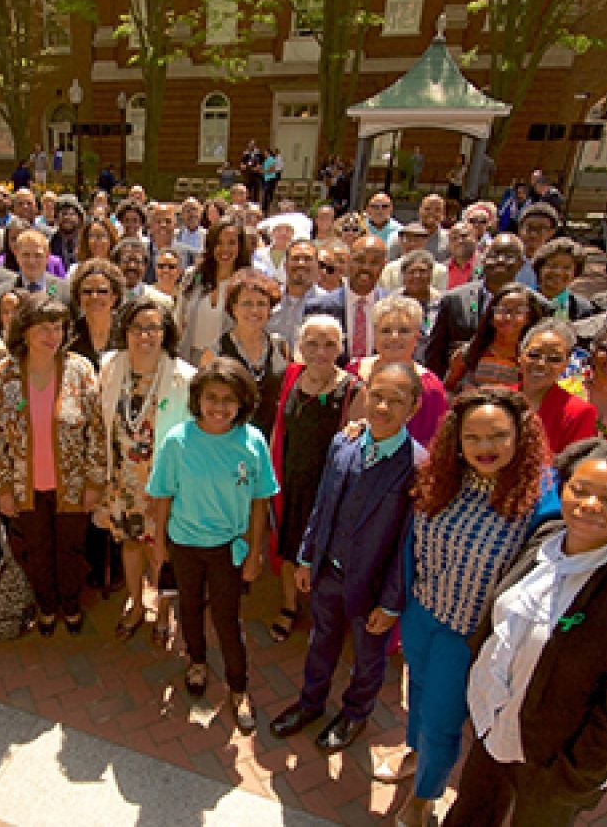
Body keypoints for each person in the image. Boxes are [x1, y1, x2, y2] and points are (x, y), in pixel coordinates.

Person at [377, 387, 607, 825]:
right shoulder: (440, 476)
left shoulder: (544, 490)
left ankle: (421, 800)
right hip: (423, 616)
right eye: (472, 436)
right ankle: (416, 756)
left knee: (441, 724)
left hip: (466, 633)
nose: (484, 447)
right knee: (418, 696)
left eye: (498, 435)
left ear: (520, 437)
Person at [445, 437, 607, 827]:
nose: (590, 506)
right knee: (470, 814)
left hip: (554, 760)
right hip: (495, 725)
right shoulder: (547, 538)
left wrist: (576, 776)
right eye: (581, 489)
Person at [271, 362, 422, 752]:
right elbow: (323, 505)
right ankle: (311, 703)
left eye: (396, 400)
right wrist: (306, 558)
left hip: (372, 586)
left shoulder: (417, 466)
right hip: (328, 573)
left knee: (368, 658)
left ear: (415, 407)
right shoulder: (345, 443)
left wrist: (391, 602)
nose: (383, 407)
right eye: (377, 396)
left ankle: (355, 713)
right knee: (321, 642)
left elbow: (409, 543)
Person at [146, 359, 277, 734]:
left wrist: (255, 553)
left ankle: (238, 688)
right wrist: (158, 548)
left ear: (243, 403)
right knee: (189, 607)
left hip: (228, 550)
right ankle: (197, 662)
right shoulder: (178, 441)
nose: (219, 408)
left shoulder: (252, 441)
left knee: (227, 618)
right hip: (184, 544)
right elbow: (163, 496)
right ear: (197, 399)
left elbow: (260, 501)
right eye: (211, 398)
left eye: (229, 400)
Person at [0, 296, 107, 636]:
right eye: (43, 328)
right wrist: (3, 488)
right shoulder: (3, 373)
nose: (53, 335)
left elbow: (97, 430)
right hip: (25, 488)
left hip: (72, 484)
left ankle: (70, 605)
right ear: (23, 331)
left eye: (57, 327)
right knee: (36, 552)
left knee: (70, 550)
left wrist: (94, 483)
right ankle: (46, 606)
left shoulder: (79, 369)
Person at [95, 299, 196, 642]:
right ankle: (137, 604)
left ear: (165, 332)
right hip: (123, 480)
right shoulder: (111, 366)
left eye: (153, 327)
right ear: (126, 331)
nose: (145, 335)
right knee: (131, 545)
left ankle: (165, 613)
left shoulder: (184, 377)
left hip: (165, 485)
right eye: (137, 327)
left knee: (162, 551)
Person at [266, 316, 361, 643]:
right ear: (300, 347)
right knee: (289, 544)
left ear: (341, 347)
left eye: (329, 344)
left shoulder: (352, 388)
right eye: (312, 344)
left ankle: (323, 613)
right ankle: (289, 605)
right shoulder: (290, 376)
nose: (321, 352)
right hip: (291, 479)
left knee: (325, 549)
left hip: (328, 488)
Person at [348, 297, 450, 448]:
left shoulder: (430, 387)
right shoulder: (352, 371)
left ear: (417, 336)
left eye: (404, 331)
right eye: (386, 331)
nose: (394, 337)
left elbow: (436, 443)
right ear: (374, 335)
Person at [423, 233, 526, 377]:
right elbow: (435, 356)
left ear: (521, 263)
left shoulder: (535, 305)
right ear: (483, 259)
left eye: (509, 256)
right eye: (494, 255)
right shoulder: (454, 300)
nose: (500, 260)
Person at [202, 269, 289, 438]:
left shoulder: (281, 346)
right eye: (247, 303)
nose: (255, 310)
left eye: (261, 304)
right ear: (233, 308)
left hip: (271, 442)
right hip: (228, 441)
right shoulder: (215, 353)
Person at [444, 283, 550, 394]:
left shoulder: (531, 358)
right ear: (491, 316)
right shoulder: (469, 353)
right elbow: (447, 390)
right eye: (502, 310)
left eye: (518, 312)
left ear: (529, 318)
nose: (508, 318)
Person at [516, 320, 598, 454]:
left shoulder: (579, 412)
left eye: (554, 359)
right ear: (520, 355)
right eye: (534, 355)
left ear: (566, 364)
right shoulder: (497, 399)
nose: (541, 363)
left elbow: (573, 465)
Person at [304, 235, 389, 362]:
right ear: (348, 261)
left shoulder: (392, 308)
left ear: (384, 265)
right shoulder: (319, 307)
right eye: (359, 260)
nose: (365, 267)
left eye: (374, 262)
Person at [175, 219, 250, 363]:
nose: (225, 249)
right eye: (219, 243)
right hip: (188, 358)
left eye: (231, 243)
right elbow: (179, 319)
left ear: (240, 247)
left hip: (226, 363)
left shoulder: (246, 284)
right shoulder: (193, 276)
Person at [68, 259, 124, 367]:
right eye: (87, 292)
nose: (94, 297)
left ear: (114, 297)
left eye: (102, 291)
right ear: (78, 297)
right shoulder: (69, 337)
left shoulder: (127, 333)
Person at [532, 237, 595, 320]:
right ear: (539, 268)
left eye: (566, 268)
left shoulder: (584, 309)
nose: (558, 272)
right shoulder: (526, 303)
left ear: (575, 273)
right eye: (552, 266)